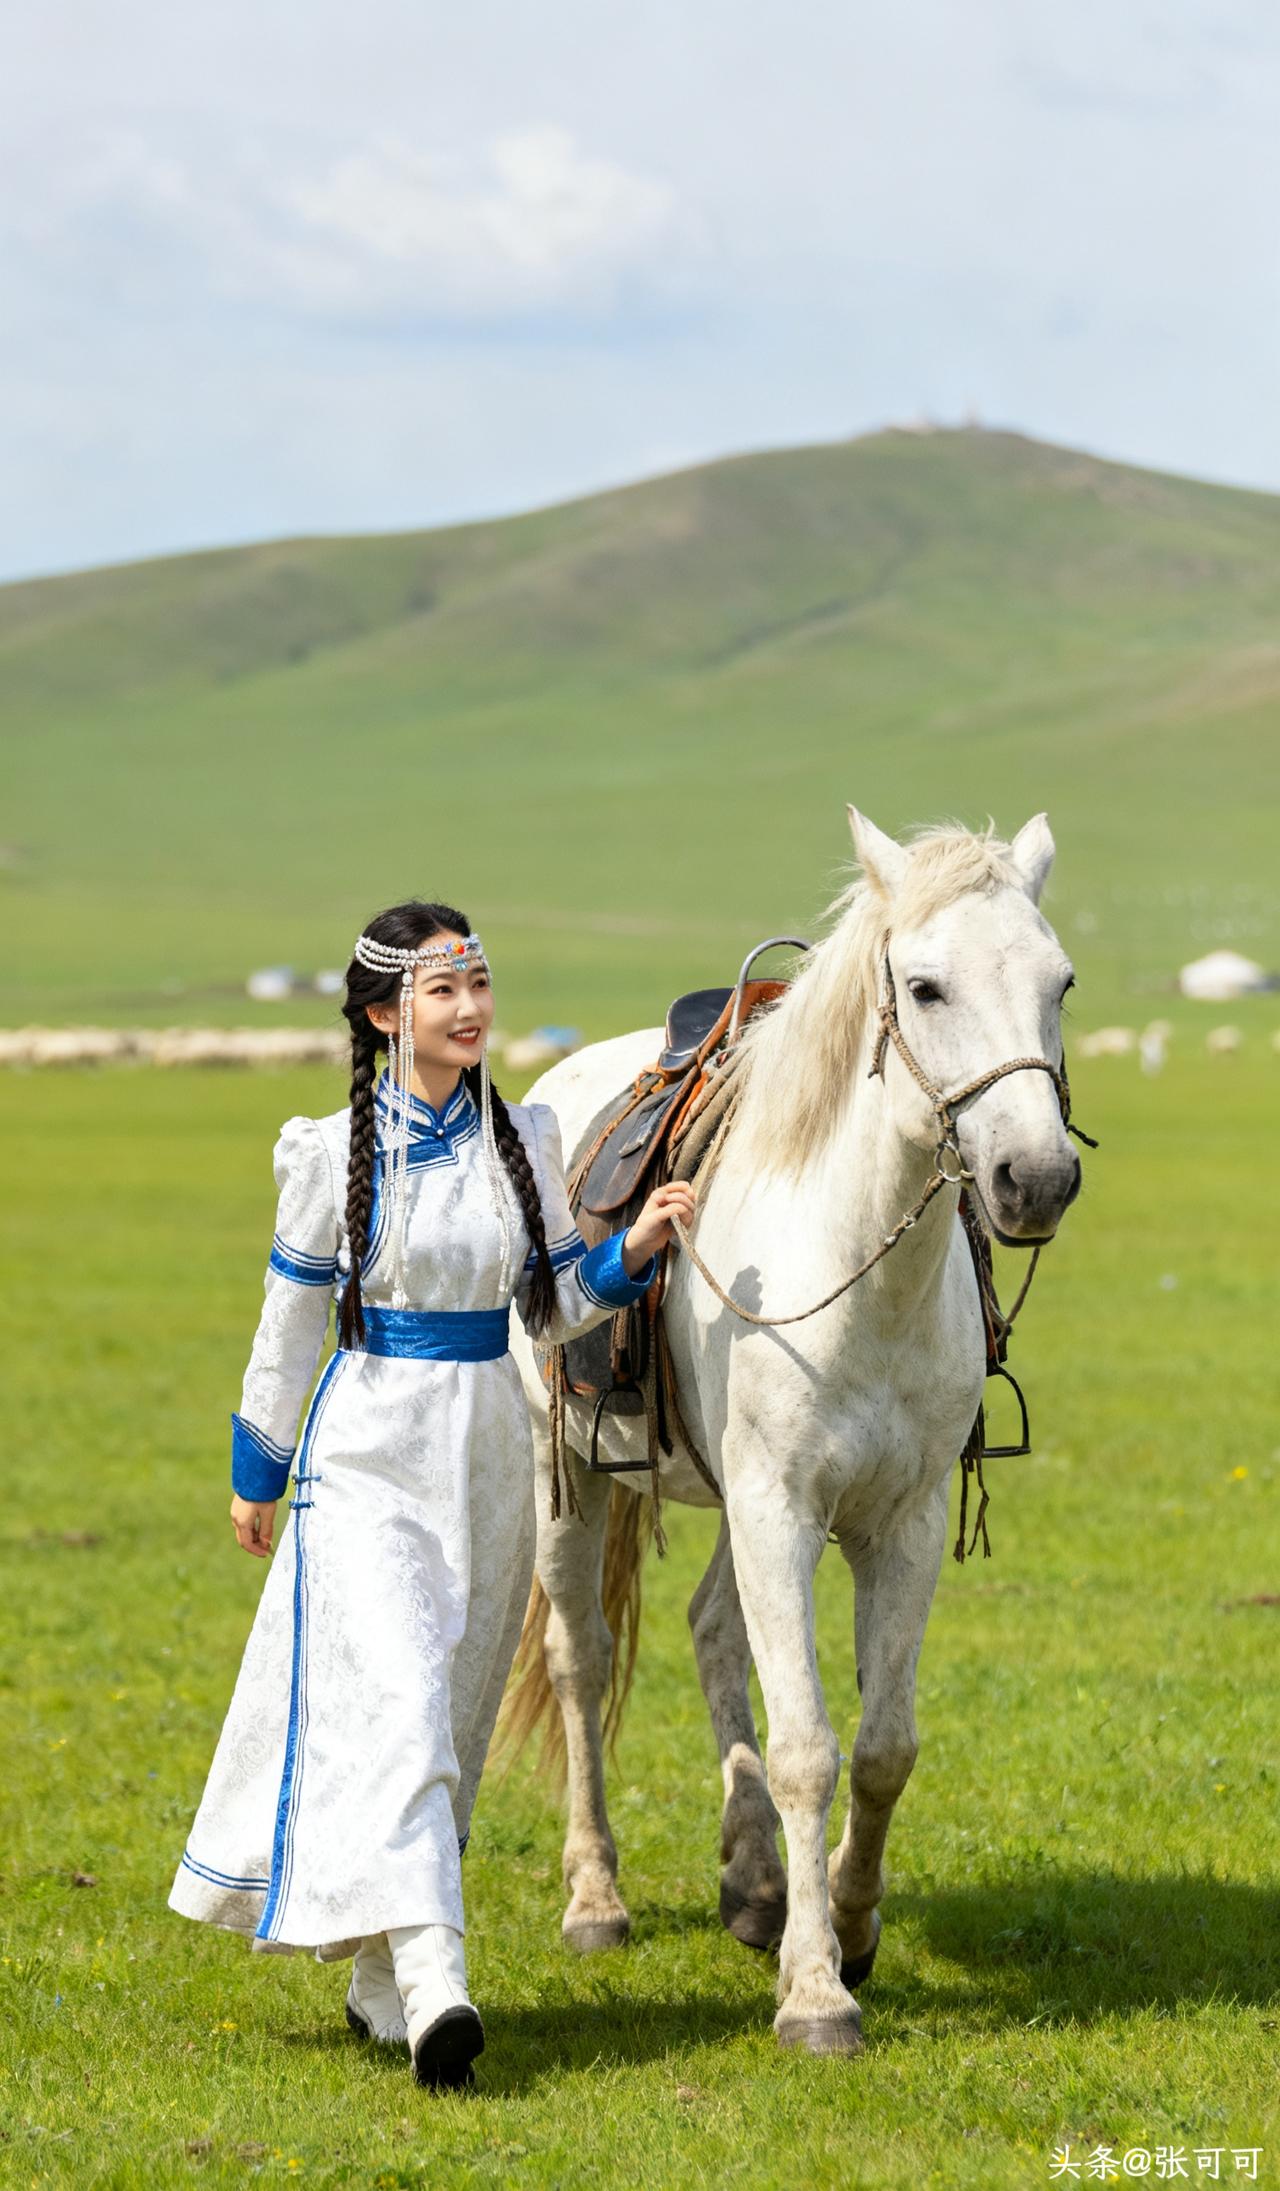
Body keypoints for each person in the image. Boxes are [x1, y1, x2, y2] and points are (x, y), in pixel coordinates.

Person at [169, 901, 695, 2090]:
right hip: (365, 1454)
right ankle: (438, 1984)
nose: (470, 1008)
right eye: (442, 989)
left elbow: (552, 1308)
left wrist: (632, 1250)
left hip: (491, 1457)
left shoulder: (525, 1136)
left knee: (447, 1718)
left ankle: (377, 1981)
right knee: (404, 1706)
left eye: (478, 983)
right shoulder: (325, 1152)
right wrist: (259, 1466)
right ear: (382, 1015)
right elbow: (288, 1323)